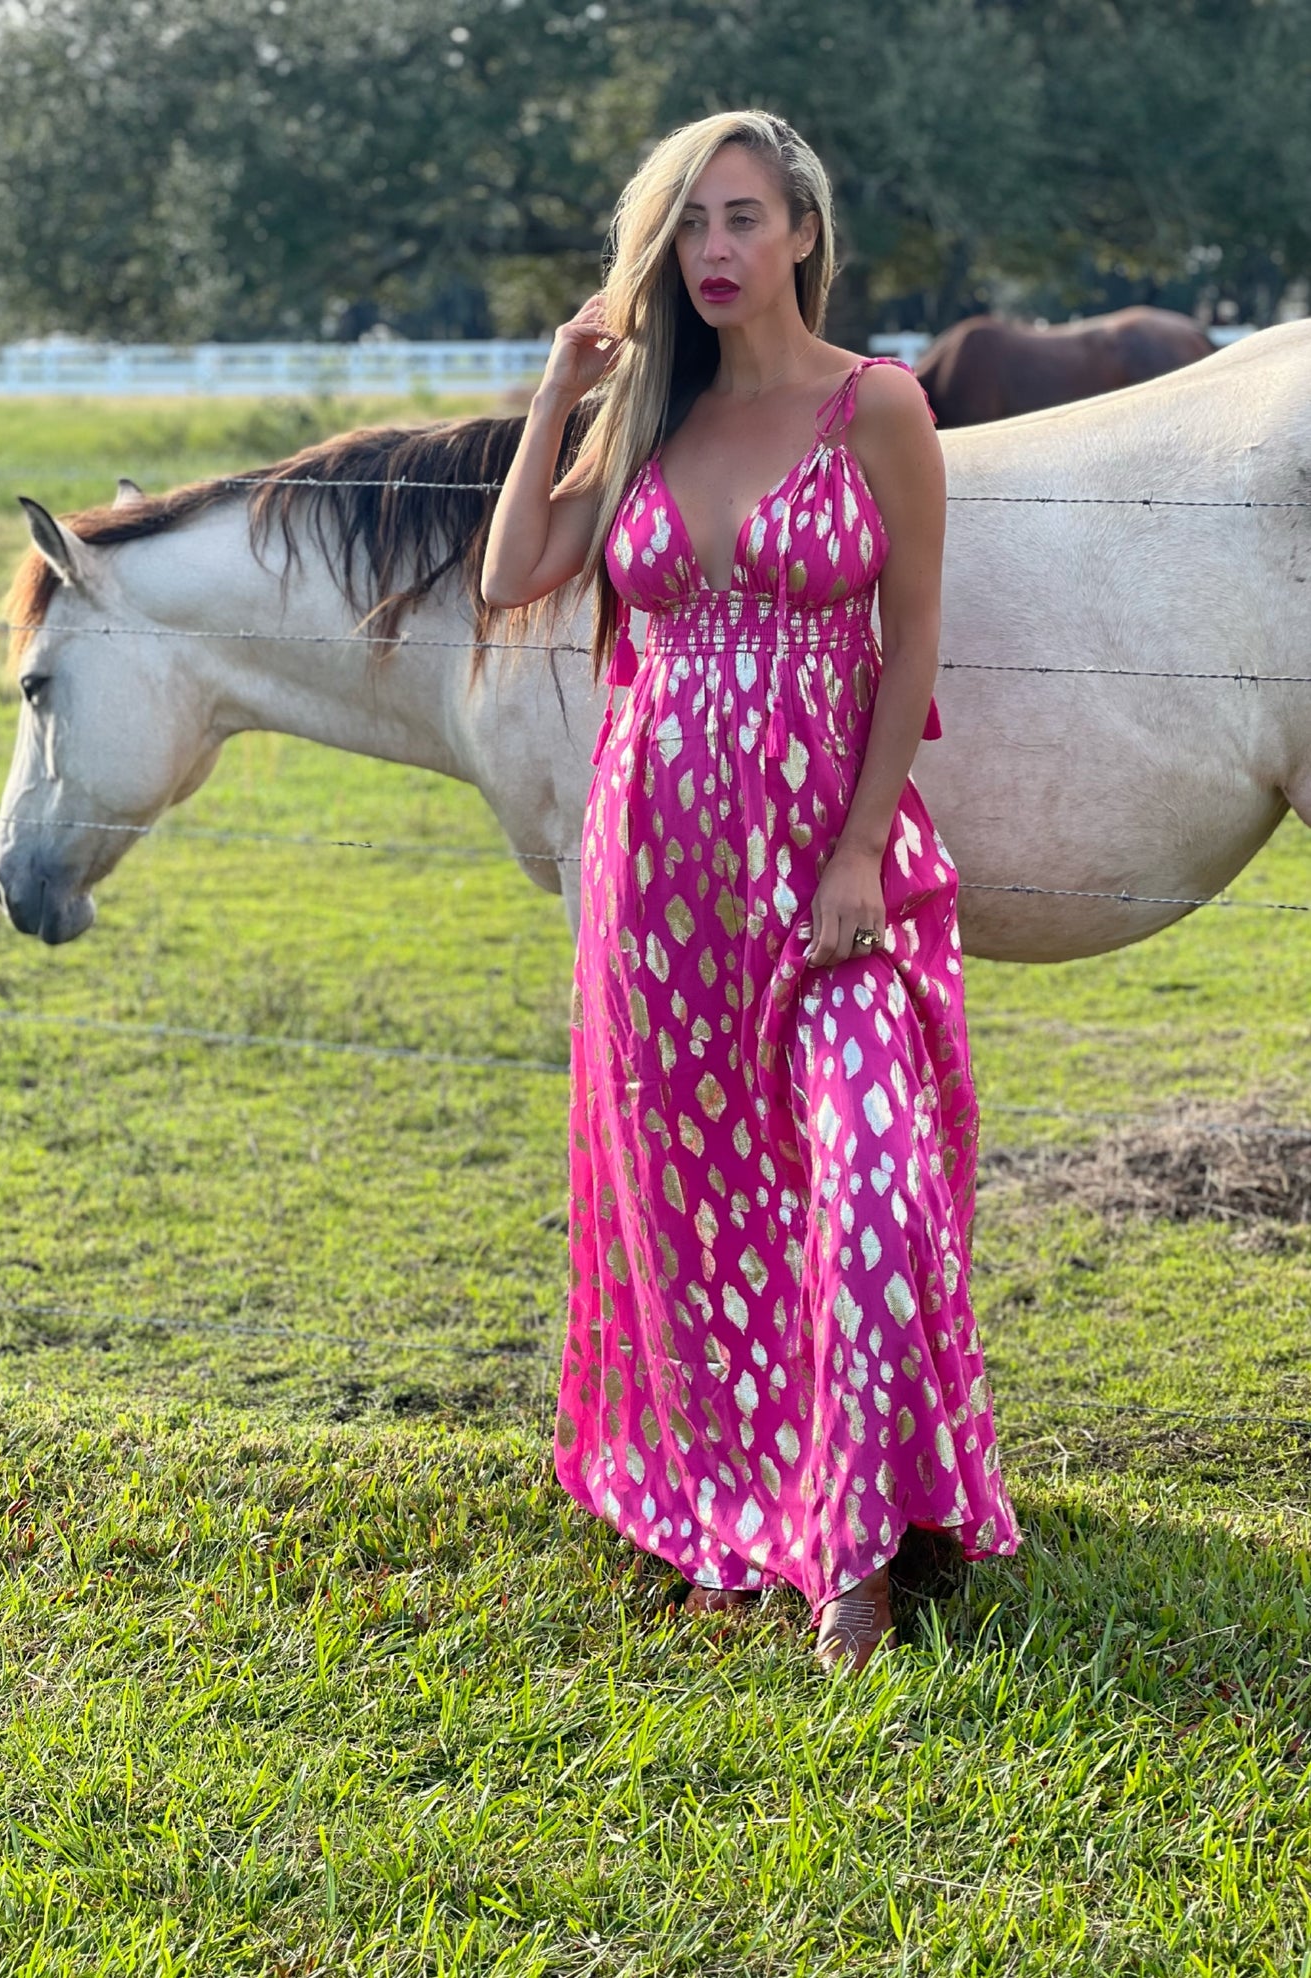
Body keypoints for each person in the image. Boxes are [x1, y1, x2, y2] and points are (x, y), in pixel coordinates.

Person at [482, 109, 1020, 1673]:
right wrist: (559, 393)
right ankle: (760, 1491)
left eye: (737, 220)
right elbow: (520, 564)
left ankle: (857, 1544)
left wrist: (857, 851)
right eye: (686, 228)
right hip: (654, 874)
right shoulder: (650, 417)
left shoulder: (877, 408)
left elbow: (908, 644)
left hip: (826, 865)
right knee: (705, 1208)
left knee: (862, 1173)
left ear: (799, 231)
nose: (712, 252)